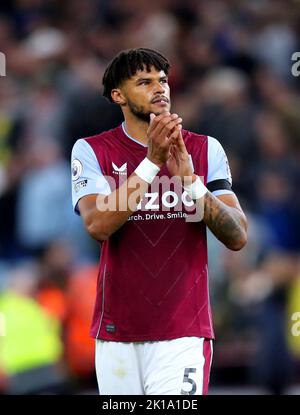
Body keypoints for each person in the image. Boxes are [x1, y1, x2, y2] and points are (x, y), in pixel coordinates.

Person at [71, 48, 248, 395]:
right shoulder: (92, 151)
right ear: (118, 95)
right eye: (145, 82)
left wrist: (191, 183)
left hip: (183, 331)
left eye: (163, 80)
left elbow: (238, 235)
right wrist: (152, 163)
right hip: (116, 334)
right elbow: (97, 226)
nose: (159, 89)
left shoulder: (204, 149)